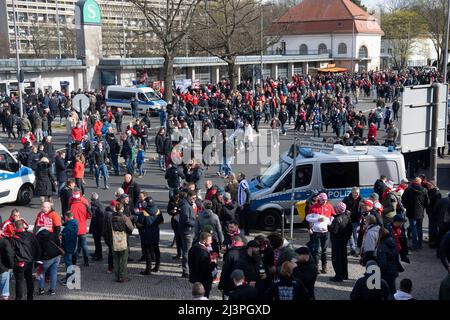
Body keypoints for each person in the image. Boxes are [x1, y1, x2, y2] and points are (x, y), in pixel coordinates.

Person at [11, 220, 41, 300]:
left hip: (19, 263)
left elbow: (11, 252)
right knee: (29, 279)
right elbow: (37, 247)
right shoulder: (30, 235)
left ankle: (18, 297)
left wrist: (12, 263)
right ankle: (30, 297)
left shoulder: (14, 238)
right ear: (23, 226)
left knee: (19, 281)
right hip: (29, 261)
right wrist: (37, 259)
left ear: (15, 227)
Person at [306, 192, 334, 273]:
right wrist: (317, 219)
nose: (324, 202)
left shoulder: (329, 206)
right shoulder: (313, 207)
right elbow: (307, 218)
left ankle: (324, 267)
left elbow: (333, 216)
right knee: (316, 250)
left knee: (324, 250)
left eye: (325, 200)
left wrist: (330, 221)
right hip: (315, 232)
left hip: (325, 232)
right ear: (319, 199)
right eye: (322, 200)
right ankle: (316, 267)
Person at [402, 177, 429, 250]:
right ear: (420, 183)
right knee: (419, 228)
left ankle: (415, 245)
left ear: (414, 182)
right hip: (420, 212)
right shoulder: (424, 190)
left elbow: (403, 200)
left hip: (411, 212)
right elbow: (427, 202)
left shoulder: (408, 190)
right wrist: (423, 207)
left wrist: (407, 206)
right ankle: (420, 244)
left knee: (413, 228)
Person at [35, 223, 63, 295]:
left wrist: (38, 261)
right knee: (54, 272)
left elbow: (38, 250)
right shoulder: (53, 234)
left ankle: (41, 289)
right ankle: (52, 290)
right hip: (57, 256)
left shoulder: (38, 237)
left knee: (41, 272)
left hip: (47, 258)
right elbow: (59, 244)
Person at [188, 232, 218, 298]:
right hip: (204, 279)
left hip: (195, 277)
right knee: (205, 296)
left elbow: (190, 262)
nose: (211, 242)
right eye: (210, 240)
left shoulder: (193, 248)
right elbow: (206, 268)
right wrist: (213, 262)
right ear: (204, 241)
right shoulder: (203, 253)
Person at [137, 200, 164, 275]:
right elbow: (161, 221)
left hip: (146, 234)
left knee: (147, 252)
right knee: (156, 249)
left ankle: (148, 270)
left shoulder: (144, 213)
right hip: (155, 233)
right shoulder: (158, 211)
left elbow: (139, 224)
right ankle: (157, 267)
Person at [109, 202, 134, 282]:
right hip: (123, 240)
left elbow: (106, 229)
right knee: (123, 259)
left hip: (113, 240)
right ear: (122, 209)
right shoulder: (124, 217)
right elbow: (131, 228)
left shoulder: (111, 217)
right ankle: (122, 277)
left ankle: (117, 276)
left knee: (116, 259)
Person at [328, 202, 352, 282]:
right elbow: (350, 229)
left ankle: (338, 276)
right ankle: (345, 275)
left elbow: (334, 231)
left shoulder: (337, 220)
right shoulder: (347, 217)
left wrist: (329, 227)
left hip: (336, 241)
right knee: (344, 258)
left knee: (336, 258)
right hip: (344, 240)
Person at [377, 228, 404, 294]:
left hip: (386, 272)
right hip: (393, 269)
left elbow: (382, 263)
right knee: (392, 289)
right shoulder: (392, 241)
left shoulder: (382, 246)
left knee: (385, 291)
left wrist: (378, 270)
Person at [69, 189, 91, 266]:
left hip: (73, 229)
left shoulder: (71, 205)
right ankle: (86, 261)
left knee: (74, 247)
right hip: (82, 228)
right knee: (84, 245)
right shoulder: (84, 204)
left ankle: (74, 263)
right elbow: (88, 216)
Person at [179, 190, 197, 278]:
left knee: (188, 251)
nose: (194, 200)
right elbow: (186, 220)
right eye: (193, 198)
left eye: (195, 198)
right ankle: (186, 271)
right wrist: (195, 222)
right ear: (188, 197)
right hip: (187, 232)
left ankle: (187, 269)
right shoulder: (186, 206)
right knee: (187, 252)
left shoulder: (187, 205)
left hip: (189, 231)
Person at [343, 187, 362, 256]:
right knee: (349, 236)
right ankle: (353, 250)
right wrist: (345, 212)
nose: (356, 194)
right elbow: (341, 207)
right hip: (348, 220)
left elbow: (363, 209)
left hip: (356, 220)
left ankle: (357, 250)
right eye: (355, 193)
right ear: (352, 192)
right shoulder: (346, 199)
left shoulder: (361, 199)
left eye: (357, 193)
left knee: (356, 236)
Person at [61, 211, 78, 286]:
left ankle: (71, 279)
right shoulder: (75, 223)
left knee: (68, 263)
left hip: (67, 248)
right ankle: (69, 277)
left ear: (67, 217)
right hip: (73, 245)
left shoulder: (67, 228)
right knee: (69, 262)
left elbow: (65, 240)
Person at [89, 192, 105, 261]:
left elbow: (91, 216)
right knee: (97, 241)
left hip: (96, 226)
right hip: (100, 226)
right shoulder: (101, 205)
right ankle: (97, 253)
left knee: (97, 241)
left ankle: (99, 255)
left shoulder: (92, 207)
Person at [0, 230, 14, 300]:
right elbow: (10, 255)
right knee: (5, 292)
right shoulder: (4, 241)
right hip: (4, 268)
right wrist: (11, 266)